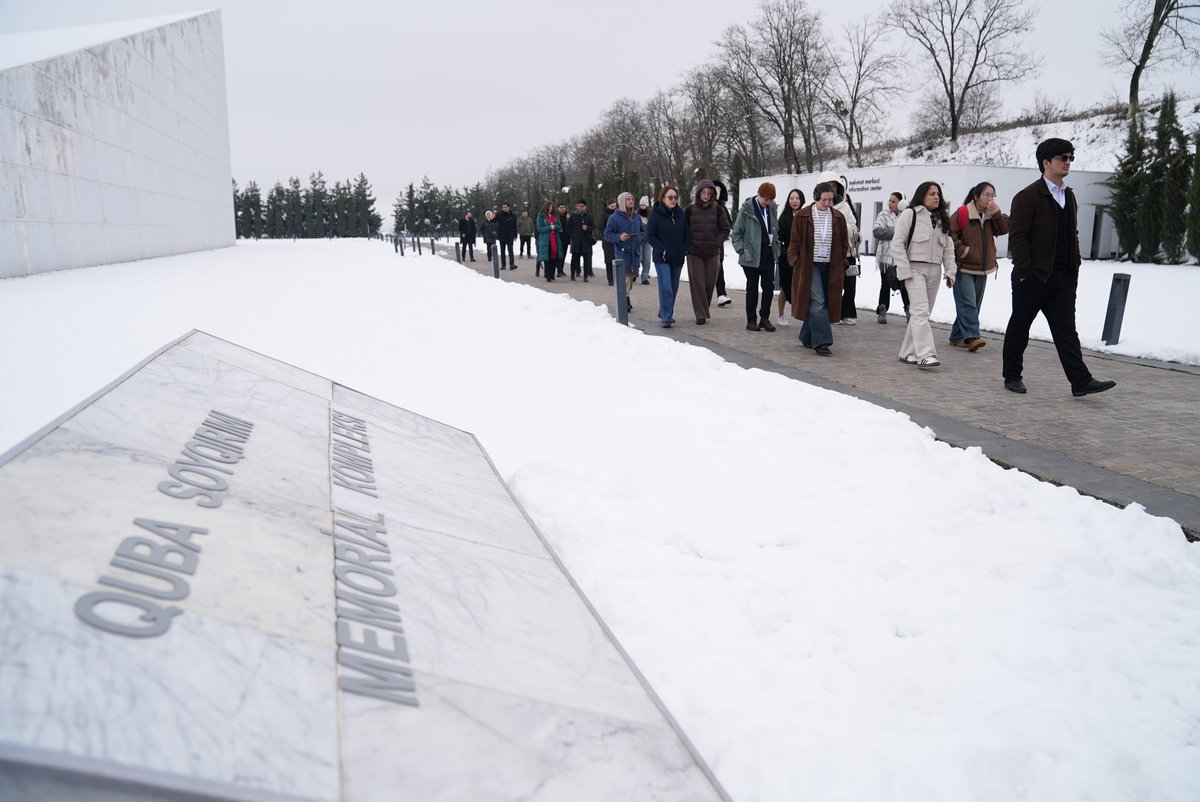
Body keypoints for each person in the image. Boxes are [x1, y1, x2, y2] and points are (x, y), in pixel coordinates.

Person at [1002, 138, 1116, 397]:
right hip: (1033, 277)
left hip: (1064, 277)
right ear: (1046, 162)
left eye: (1070, 158)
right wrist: (1025, 272)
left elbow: (1072, 233)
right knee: (1020, 326)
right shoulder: (1027, 196)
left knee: (1066, 331)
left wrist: (1075, 265)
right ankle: (1012, 375)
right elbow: (1018, 237)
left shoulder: (1069, 195)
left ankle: (1081, 381)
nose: (1068, 162)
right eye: (1063, 158)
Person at [891, 182, 956, 368]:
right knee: (920, 311)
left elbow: (948, 248)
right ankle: (926, 354)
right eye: (931, 194)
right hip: (914, 270)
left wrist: (950, 271)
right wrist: (904, 271)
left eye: (938, 194)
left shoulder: (942, 218)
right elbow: (897, 244)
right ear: (922, 196)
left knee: (922, 314)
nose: (936, 197)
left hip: (935, 271)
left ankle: (907, 352)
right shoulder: (910, 214)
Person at [789, 181, 850, 356]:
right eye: (824, 199)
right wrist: (794, 260)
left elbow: (844, 243)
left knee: (825, 301)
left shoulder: (838, 217)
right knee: (818, 301)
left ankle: (806, 335)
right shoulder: (803, 216)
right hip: (809, 265)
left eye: (830, 200)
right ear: (816, 197)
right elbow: (794, 242)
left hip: (831, 266)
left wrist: (842, 260)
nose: (827, 203)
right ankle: (822, 342)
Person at [949, 181, 1009, 351]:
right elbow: (949, 235)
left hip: (983, 268)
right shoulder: (962, 213)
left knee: (973, 304)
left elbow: (1004, 229)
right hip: (963, 266)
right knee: (968, 303)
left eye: (992, 195)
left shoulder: (991, 216)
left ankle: (956, 336)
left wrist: (996, 213)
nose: (990, 199)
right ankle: (973, 337)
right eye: (986, 195)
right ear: (976, 197)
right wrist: (963, 251)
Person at [731, 182, 779, 332]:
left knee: (768, 287)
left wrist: (776, 246)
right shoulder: (746, 209)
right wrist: (742, 250)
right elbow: (736, 233)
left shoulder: (772, 208)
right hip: (750, 255)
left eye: (770, 200)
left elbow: (774, 229)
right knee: (752, 288)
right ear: (759, 195)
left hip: (768, 254)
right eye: (765, 199)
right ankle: (751, 320)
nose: (767, 202)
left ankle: (765, 318)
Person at [816, 172, 861, 324]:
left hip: (844, 253)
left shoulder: (844, 207)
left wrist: (839, 225)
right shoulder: (812, 206)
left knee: (848, 285)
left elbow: (853, 227)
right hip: (821, 255)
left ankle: (845, 312)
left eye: (834, 187)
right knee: (827, 286)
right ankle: (826, 313)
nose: (832, 190)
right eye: (828, 186)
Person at [684, 179, 730, 325]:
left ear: (712, 195)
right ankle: (701, 314)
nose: (705, 195)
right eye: (703, 192)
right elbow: (683, 229)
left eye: (709, 193)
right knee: (698, 283)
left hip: (712, 252)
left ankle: (703, 309)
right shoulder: (689, 209)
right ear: (698, 193)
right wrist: (689, 244)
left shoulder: (718, 210)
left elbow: (725, 229)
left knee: (710, 283)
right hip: (694, 253)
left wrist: (717, 243)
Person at [646, 186, 690, 327]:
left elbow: (687, 234)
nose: (673, 200)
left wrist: (685, 249)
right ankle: (666, 318)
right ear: (662, 198)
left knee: (673, 287)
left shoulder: (680, 214)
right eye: (670, 197)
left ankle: (665, 310)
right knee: (666, 287)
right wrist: (662, 249)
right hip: (662, 258)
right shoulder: (655, 214)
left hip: (678, 257)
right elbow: (650, 235)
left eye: (675, 197)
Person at [873, 192, 910, 324]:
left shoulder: (907, 215)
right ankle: (882, 310)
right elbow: (877, 231)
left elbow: (910, 233)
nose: (890, 204)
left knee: (904, 285)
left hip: (902, 257)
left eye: (893, 201)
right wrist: (896, 233)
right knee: (885, 284)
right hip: (886, 257)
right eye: (889, 200)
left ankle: (909, 310)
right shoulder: (883, 214)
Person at [604, 191, 643, 309]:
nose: (631, 201)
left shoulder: (637, 217)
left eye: (632, 199)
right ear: (622, 202)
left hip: (635, 253)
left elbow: (643, 231)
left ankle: (626, 296)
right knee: (624, 277)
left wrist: (640, 237)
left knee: (631, 277)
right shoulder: (614, 218)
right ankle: (624, 300)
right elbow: (607, 234)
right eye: (628, 199)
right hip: (622, 252)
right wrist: (619, 237)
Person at [775, 189, 804, 326]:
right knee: (785, 288)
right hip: (786, 258)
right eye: (791, 198)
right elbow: (779, 239)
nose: (794, 201)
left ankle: (804, 315)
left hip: (802, 257)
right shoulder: (784, 218)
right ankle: (781, 315)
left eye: (797, 198)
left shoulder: (806, 216)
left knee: (802, 286)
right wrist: (786, 254)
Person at [713, 180, 734, 307]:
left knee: (719, 268)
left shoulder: (722, 208)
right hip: (702, 245)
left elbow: (728, 225)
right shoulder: (699, 207)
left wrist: (720, 237)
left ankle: (721, 294)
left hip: (718, 244)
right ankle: (703, 294)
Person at [567, 199, 596, 281]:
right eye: (579, 206)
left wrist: (587, 228)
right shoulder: (573, 216)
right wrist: (572, 235)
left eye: (582, 206)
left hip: (585, 241)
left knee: (586, 260)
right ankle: (573, 275)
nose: (580, 208)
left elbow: (593, 226)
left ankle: (585, 276)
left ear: (585, 207)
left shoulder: (588, 216)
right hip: (576, 241)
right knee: (574, 259)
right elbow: (568, 227)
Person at [535, 202, 564, 282]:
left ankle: (552, 274)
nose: (550, 209)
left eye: (551, 207)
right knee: (547, 257)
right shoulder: (541, 216)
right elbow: (539, 228)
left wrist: (554, 227)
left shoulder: (555, 216)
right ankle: (547, 275)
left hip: (554, 238)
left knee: (554, 256)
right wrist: (549, 227)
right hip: (546, 239)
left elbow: (559, 226)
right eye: (549, 207)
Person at [599, 198, 618, 285]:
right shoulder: (604, 214)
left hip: (617, 239)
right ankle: (610, 279)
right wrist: (607, 234)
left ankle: (617, 278)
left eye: (615, 206)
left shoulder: (618, 213)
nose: (613, 208)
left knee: (617, 259)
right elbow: (601, 227)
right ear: (608, 206)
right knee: (609, 260)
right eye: (612, 206)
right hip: (607, 240)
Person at [496, 202, 518, 270]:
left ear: (508, 207)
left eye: (505, 207)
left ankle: (512, 264)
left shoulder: (513, 215)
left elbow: (515, 226)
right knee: (502, 251)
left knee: (510, 250)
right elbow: (494, 220)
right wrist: (491, 217)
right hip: (502, 235)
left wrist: (515, 235)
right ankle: (503, 265)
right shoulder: (499, 214)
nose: (504, 208)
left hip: (510, 236)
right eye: (503, 207)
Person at [638, 196, 653, 284]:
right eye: (641, 205)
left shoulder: (651, 216)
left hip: (648, 241)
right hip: (639, 240)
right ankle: (635, 273)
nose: (642, 207)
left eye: (644, 205)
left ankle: (645, 277)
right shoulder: (636, 215)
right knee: (639, 258)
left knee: (647, 259)